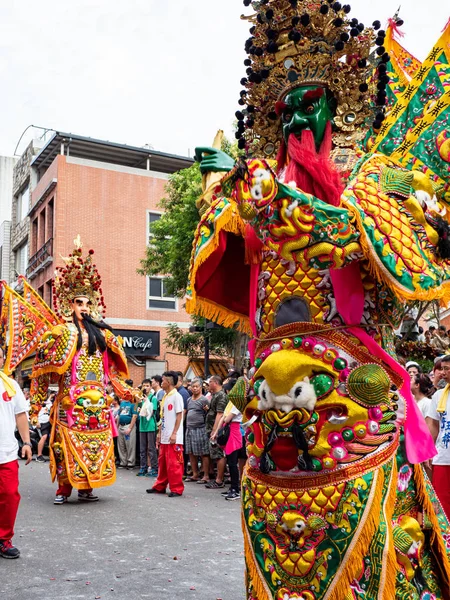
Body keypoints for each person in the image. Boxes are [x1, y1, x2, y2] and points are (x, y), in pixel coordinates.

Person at [186, 3, 450, 596]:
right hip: (270, 415)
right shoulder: (256, 198)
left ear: (339, 106)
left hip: (351, 403)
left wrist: (253, 189)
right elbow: (228, 244)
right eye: (283, 109)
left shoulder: (371, 185)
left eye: (309, 102)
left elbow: (330, 234)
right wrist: (222, 192)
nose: (295, 119)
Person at [1, 238, 135, 505]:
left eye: (88, 303)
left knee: (95, 447)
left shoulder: (104, 335)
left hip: (97, 406)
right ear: (69, 305)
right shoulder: (62, 333)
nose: (84, 307)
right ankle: (64, 489)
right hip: (70, 404)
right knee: (64, 447)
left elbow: (113, 373)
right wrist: (36, 405)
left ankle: (87, 488)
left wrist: (125, 391)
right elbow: (41, 371)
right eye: (79, 303)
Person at [0, 346, 32, 558]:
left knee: (10, 496)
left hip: (6, 452)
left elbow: (21, 415)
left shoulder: (11, 385)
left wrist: (27, 442)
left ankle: (3, 539)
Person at [146, 371, 184, 497]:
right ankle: (160, 486)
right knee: (163, 463)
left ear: (168, 382)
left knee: (174, 464)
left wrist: (174, 433)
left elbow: (179, 415)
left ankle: (176, 489)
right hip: (164, 436)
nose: (161, 383)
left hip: (174, 438)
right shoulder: (166, 396)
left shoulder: (176, 397)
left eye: (162, 381)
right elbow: (163, 418)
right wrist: (159, 433)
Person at [426, 354, 450, 517]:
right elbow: (432, 425)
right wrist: (428, 450)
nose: (443, 372)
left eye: (447, 369)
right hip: (443, 457)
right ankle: (445, 541)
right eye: (442, 369)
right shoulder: (439, 395)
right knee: (442, 504)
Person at [184, 378, 210, 483]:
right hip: (189, 429)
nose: (194, 389)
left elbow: (208, 414)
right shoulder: (189, 400)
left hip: (200, 429)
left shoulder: (204, 400)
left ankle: (206, 475)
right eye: (193, 387)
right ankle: (195, 474)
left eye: (197, 387)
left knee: (203, 453)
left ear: (201, 388)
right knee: (191, 452)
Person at [205, 376, 228, 489]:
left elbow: (220, 414)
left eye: (209, 382)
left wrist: (214, 431)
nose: (208, 385)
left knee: (219, 454)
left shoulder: (221, 396)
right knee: (215, 454)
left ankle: (219, 480)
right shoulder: (215, 395)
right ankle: (217, 478)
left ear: (215, 383)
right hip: (211, 428)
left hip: (217, 430)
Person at [137, 379, 158, 477]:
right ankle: (143, 467)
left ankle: (154, 468)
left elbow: (152, 411)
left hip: (150, 426)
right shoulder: (140, 397)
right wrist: (138, 407)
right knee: (142, 448)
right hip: (142, 426)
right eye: (144, 385)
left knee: (151, 448)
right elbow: (138, 409)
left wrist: (147, 401)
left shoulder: (153, 398)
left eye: (147, 385)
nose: (146, 387)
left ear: (151, 387)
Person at [117, 395, 137, 469]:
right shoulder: (122, 403)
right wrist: (117, 426)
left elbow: (134, 416)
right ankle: (123, 461)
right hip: (121, 426)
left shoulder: (134, 404)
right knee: (121, 445)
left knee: (130, 445)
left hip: (128, 425)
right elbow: (119, 415)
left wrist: (130, 428)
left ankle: (130, 462)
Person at [35, 391, 54, 462]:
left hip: (48, 422)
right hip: (42, 422)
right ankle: (39, 455)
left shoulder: (50, 402)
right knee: (44, 436)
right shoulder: (40, 402)